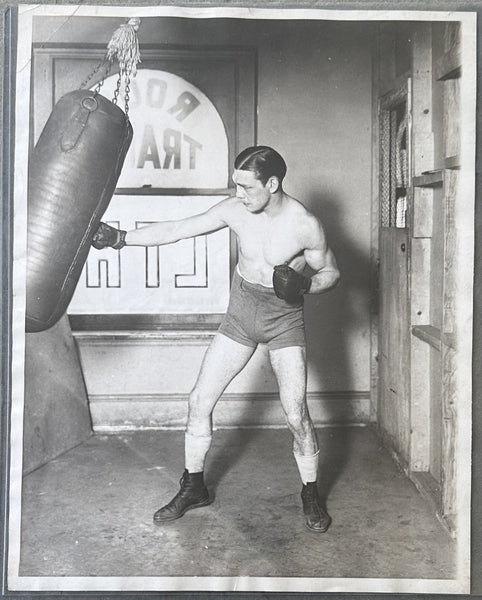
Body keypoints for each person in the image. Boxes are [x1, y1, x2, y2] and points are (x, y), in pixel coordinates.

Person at [92, 146, 340, 533]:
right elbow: (178, 229)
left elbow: (331, 273)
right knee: (199, 401)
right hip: (241, 316)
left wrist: (306, 284)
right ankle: (194, 486)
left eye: (245, 186)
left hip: (283, 321)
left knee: (296, 414)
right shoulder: (236, 211)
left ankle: (310, 492)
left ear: (272, 183)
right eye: (235, 185)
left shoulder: (305, 224)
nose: (238, 194)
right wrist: (121, 238)